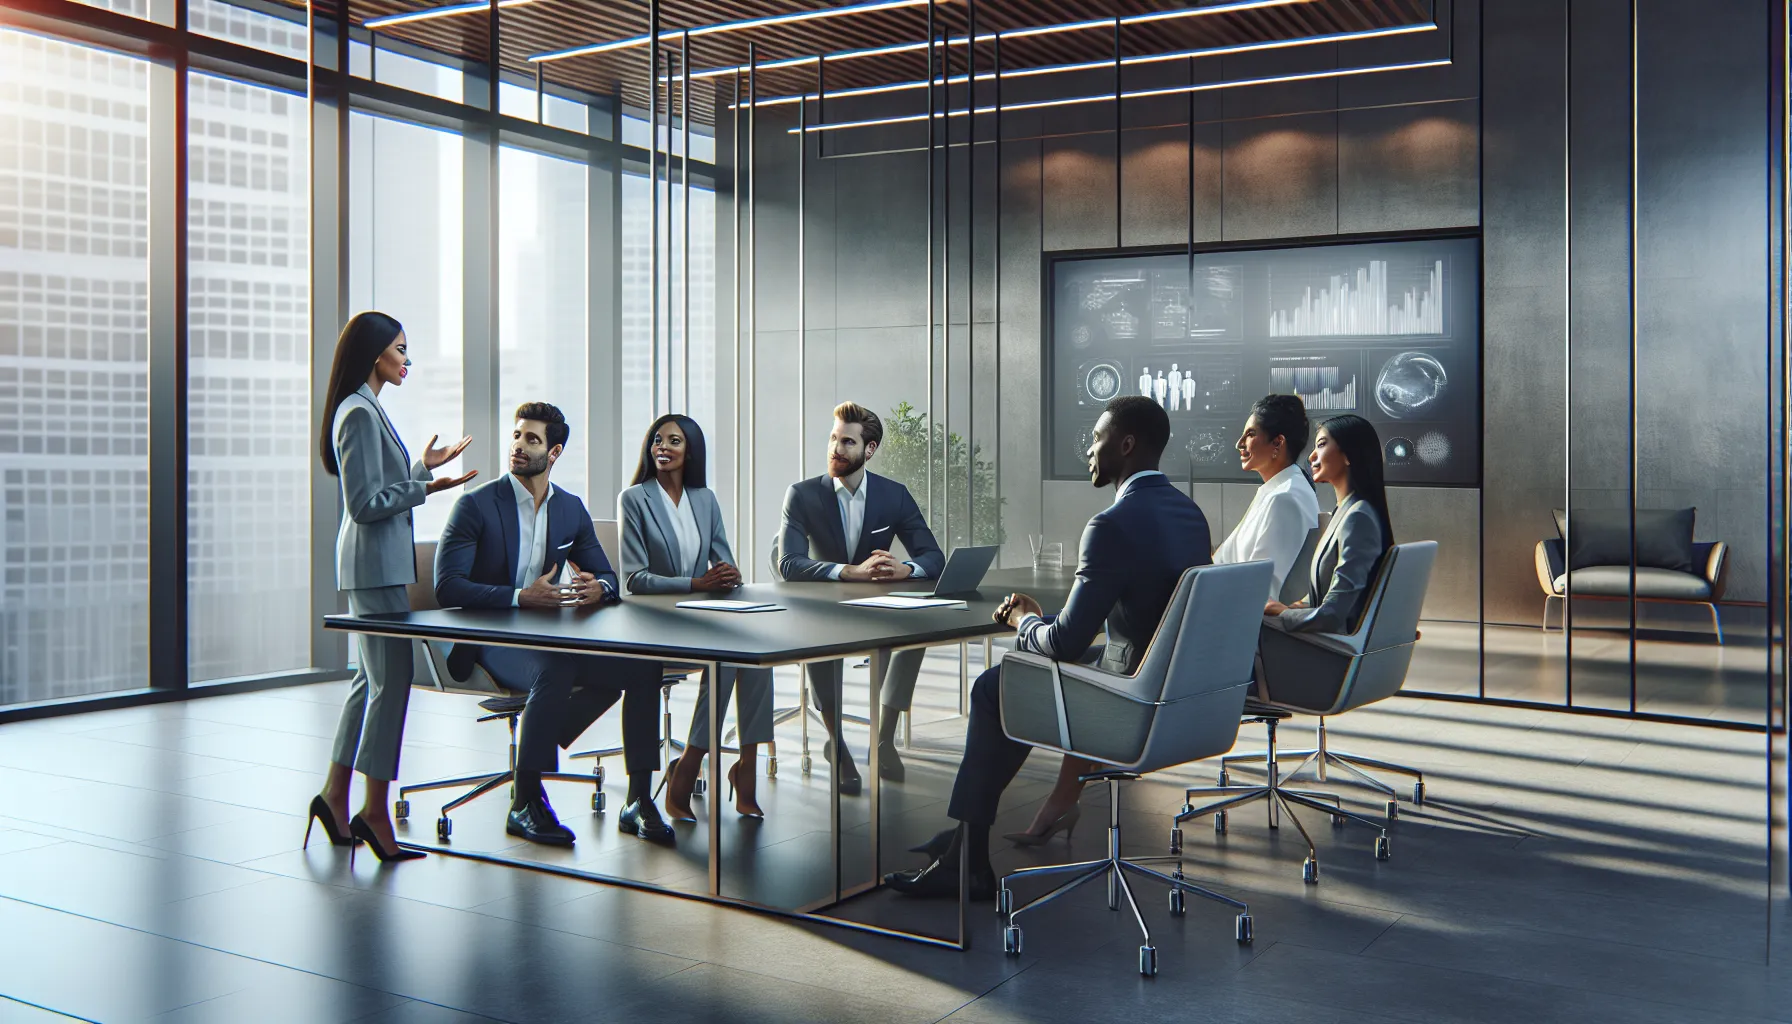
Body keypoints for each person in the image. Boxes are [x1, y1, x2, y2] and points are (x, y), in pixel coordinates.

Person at [885, 396, 1211, 899]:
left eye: (1096, 438)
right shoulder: (1190, 515)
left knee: (998, 684)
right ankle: (963, 845)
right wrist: (1047, 619)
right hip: (1173, 694)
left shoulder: (1111, 525)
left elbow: (1062, 644)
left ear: (1125, 445)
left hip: (1126, 702)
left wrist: (1024, 620)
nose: (1089, 448)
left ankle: (966, 856)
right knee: (1013, 682)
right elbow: (1129, 612)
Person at [1000, 394, 1320, 847]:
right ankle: (1059, 802)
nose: (1239, 442)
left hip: (1195, 673)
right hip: (1201, 667)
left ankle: (967, 846)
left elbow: (1252, 589)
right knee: (1106, 646)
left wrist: (1027, 623)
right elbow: (1221, 573)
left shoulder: (1284, 498)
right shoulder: (1213, 507)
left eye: (1250, 432)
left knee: (1017, 675)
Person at [434, 403, 673, 848]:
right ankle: (525, 801)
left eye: (532, 439)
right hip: (489, 639)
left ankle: (638, 799)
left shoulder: (569, 509)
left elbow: (608, 574)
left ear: (555, 451)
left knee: (642, 666)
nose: (519, 447)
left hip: (549, 638)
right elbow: (448, 587)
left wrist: (599, 587)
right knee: (556, 669)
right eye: (517, 436)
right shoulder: (476, 506)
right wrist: (519, 596)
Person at [309, 311, 474, 864]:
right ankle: (374, 813)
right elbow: (364, 504)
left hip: (376, 566)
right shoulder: (358, 412)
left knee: (368, 680)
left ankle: (335, 797)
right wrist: (427, 488)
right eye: (401, 349)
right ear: (376, 351)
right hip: (373, 566)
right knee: (393, 681)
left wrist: (422, 470)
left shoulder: (366, 407)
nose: (407, 360)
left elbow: (381, 487)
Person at [774, 401, 946, 794]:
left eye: (847, 441)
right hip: (822, 607)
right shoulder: (801, 495)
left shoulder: (893, 496)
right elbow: (789, 563)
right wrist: (848, 571)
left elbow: (933, 556)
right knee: (822, 641)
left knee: (914, 634)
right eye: (833, 438)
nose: (836, 448)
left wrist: (907, 569)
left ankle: (883, 737)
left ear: (868, 450)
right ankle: (836, 742)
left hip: (876, 606)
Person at [617, 414, 772, 820]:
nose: (662, 447)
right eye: (657, 440)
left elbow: (723, 559)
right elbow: (634, 579)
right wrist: (697, 584)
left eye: (674, 441)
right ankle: (692, 763)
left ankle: (743, 764)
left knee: (755, 646)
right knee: (730, 651)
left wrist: (728, 574)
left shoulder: (704, 499)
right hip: (654, 619)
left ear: (691, 451)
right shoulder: (634, 498)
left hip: (701, 612)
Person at [1263, 413, 1394, 632]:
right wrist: (1293, 607)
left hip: (1328, 649)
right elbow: (1325, 595)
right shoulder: (1347, 511)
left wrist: (1283, 613)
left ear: (1349, 455)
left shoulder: (1358, 517)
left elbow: (1333, 614)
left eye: (1322, 445)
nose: (1312, 456)